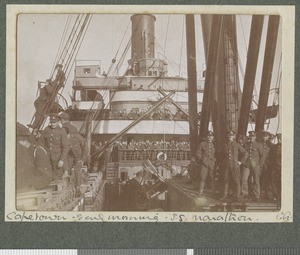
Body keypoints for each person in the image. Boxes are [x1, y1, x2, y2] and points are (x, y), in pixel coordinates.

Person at [16, 123, 52, 192]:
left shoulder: (38, 151)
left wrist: (28, 184)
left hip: (36, 183)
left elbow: (44, 176)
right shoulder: (21, 151)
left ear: (24, 141)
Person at [39, 113, 69, 180]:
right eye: (51, 122)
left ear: (58, 122)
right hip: (47, 159)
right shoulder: (46, 130)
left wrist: (61, 160)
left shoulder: (62, 132)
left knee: (57, 178)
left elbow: (66, 147)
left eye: (54, 122)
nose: (52, 124)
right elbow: (41, 143)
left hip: (57, 160)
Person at [221, 130, 248, 201]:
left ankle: (238, 196)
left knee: (237, 180)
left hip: (235, 165)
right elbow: (221, 155)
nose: (230, 137)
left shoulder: (237, 145)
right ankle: (225, 195)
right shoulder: (225, 145)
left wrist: (240, 162)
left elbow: (246, 153)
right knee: (225, 180)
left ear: (233, 137)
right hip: (226, 165)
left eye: (231, 136)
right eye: (229, 136)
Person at [63, 127, 88, 196]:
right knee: (67, 170)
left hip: (79, 158)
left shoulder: (77, 137)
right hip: (70, 157)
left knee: (77, 171)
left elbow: (85, 148)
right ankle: (67, 189)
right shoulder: (63, 141)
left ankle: (78, 189)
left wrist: (82, 160)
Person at [244, 131, 265, 201]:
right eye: (250, 136)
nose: (251, 137)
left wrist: (260, 165)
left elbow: (262, 156)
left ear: (255, 137)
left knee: (256, 180)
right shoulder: (246, 144)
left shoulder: (258, 145)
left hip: (255, 165)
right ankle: (245, 194)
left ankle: (257, 195)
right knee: (244, 179)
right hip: (247, 164)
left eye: (252, 136)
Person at [196, 131, 216, 196]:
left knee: (212, 176)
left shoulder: (215, 144)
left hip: (212, 163)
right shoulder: (202, 144)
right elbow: (198, 153)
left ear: (213, 138)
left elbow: (218, 154)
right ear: (207, 137)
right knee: (203, 176)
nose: (210, 138)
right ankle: (200, 191)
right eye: (209, 136)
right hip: (204, 163)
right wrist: (202, 160)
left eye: (211, 136)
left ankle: (212, 191)